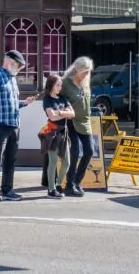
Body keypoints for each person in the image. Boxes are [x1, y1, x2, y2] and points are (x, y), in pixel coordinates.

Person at [0, 49, 34, 202]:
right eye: (18, 65)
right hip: (0, 125)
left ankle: (7, 190)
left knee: (11, 159)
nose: (20, 69)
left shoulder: (12, 78)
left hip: (14, 125)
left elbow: (11, 103)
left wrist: (24, 103)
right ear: (10, 62)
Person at [61, 55, 95, 197]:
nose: (86, 75)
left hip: (85, 121)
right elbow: (57, 99)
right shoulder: (65, 83)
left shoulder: (86, 83)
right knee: (74, 152)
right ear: (77, 70)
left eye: (88, 72)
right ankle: (69, 185)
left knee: (89, 151)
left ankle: (77, 182)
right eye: (84, 72)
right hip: (71, 121)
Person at [40, 73, 74, 200]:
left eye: (61, 85)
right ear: (51, 85)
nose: (60, 87)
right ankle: (51, 189)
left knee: (67, 162)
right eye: (58, 85)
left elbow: (73, 114)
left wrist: (60, 112)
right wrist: (65, 114)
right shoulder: (47, 99)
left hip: (63, 132)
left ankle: (58, 184)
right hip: (52, 133)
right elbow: (52, 117)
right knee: (53, 161)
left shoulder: (63, 98)